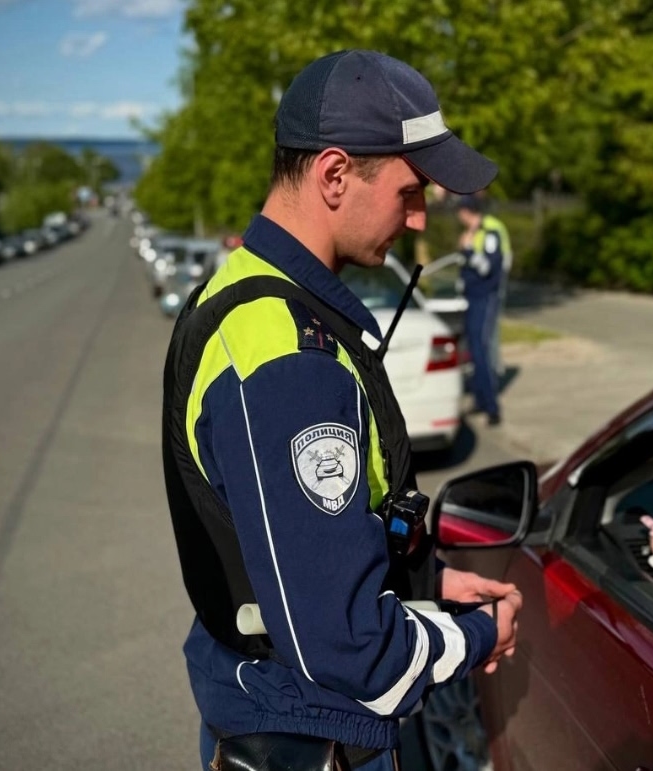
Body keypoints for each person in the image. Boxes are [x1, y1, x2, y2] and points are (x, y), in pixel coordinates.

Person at [160, 49, 523, 771]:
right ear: (333, 175)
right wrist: (478, 635)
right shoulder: (288, 361)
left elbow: (289, 545)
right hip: (311, 738)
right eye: (409, 190)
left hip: (275, 716)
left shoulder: (246, 290)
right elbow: (349, 647)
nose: (419, 219)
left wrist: (424, 582)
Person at [457, 194, 511, 425]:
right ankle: (480, 399)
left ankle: (492, 407)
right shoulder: (474, 232)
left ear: (467, 211)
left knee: (481, 349)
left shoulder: (489, 232)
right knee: (473, 349)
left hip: (485, 298)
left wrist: (468, 251)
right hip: (472, 296)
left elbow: (488, 267)